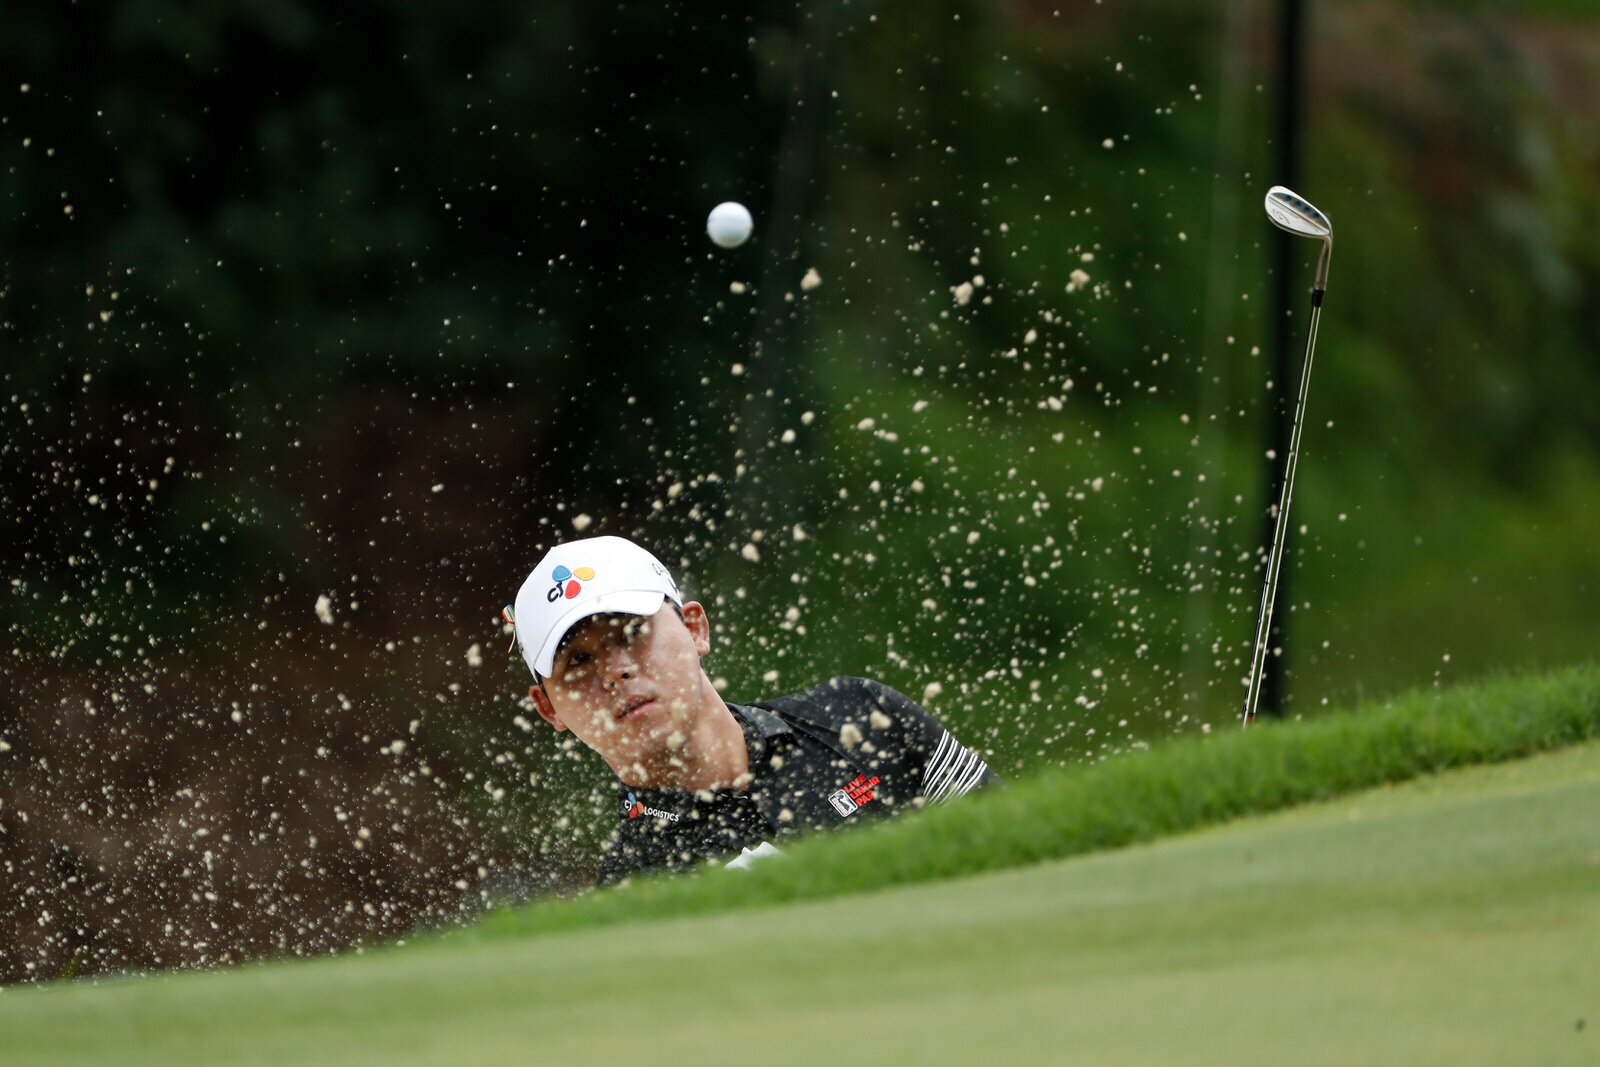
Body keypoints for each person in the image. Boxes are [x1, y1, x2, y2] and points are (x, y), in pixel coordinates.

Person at [506, 534, 1001, 883]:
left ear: (696, 629)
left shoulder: (859, 716)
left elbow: (1009, 848)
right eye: (579, 660)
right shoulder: (638, 887)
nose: (615, 670)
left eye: (632, 632)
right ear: (549, 709)